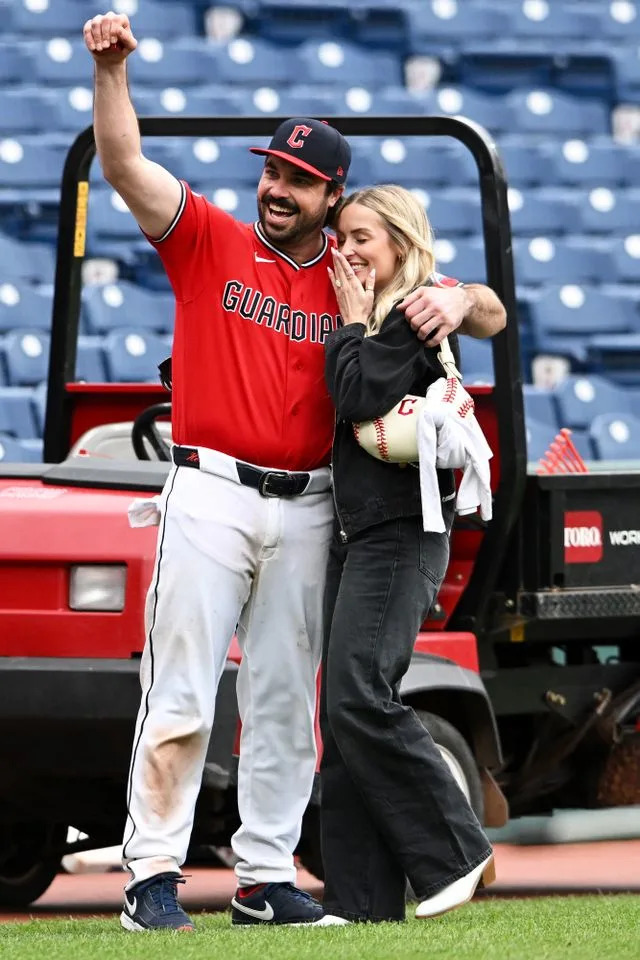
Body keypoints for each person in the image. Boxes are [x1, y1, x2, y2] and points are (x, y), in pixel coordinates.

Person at [82, 11, 507, 933]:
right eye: (272, 171)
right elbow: (123, 167)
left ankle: (265, 874)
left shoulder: (353, 274)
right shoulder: (211, 240)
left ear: (333, 196)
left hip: (312, 503)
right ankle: (152, 871)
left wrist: (463, 294)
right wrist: (111, 74)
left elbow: (488, 312)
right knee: (186, 687)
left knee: (283, 700)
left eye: (299, 181)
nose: (277, 189)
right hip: (209, 487)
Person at [320, 185, 496, 925]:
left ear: (400, 240)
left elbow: (356, 393)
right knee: (348, 711)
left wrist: (354, 324)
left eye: (364, 235)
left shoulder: (411, 312)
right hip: (366, 532)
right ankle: (361, 903)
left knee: (360, 696)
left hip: (399, 533)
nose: (350, 249)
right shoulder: (390, 310)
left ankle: (458, 854)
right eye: (344, 235)